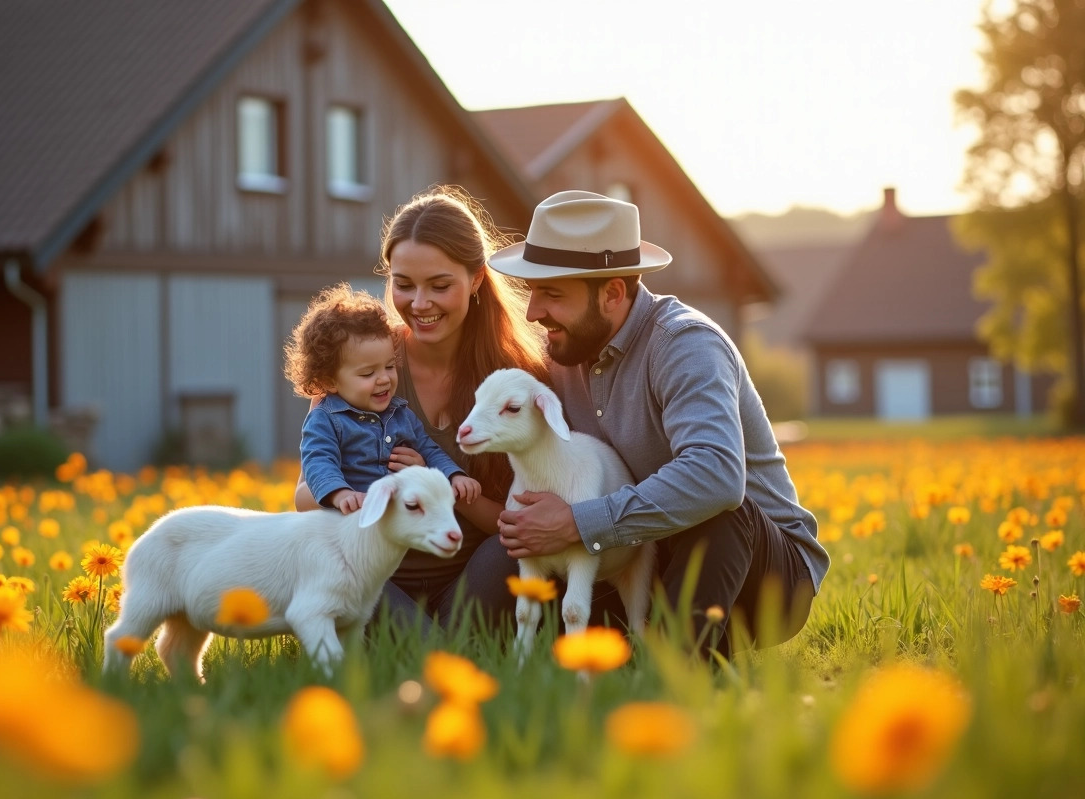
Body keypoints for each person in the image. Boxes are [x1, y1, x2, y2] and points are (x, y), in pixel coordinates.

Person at [486, 190, 830, 658]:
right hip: (639, 555)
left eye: (553, 294)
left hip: (765, 576)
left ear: (612, 293)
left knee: (719, 511)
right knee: (506, 576)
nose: (533, 312)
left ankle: (679, 675)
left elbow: (717, 476)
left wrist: (579, 523)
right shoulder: (562, 352)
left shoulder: (685, 344)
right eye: (533, 292)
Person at [294, 185, 549, 630]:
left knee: (511, 551)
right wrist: (383, 496)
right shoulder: (361, 362)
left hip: (473, 576)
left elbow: (517, 523)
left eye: (439, 285)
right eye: (404, 284)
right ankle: (421, 643)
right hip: (376, 576)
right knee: (336, 568)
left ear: (476, 280)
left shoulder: (513, 379)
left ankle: (447, 641)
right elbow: (303, 497)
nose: (419, 304)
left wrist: (442, 482)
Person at [284, 283, 481, 514]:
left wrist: (453, 476)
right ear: (329, 382)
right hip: (346, 524)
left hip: (392, 525)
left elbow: (430, 450)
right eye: (368, 373)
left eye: (389, 366)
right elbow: (318, 462)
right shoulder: (326, 419)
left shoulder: (401, 414)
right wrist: (341, 494)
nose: (384, 379)